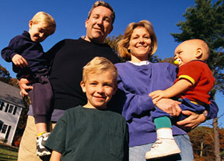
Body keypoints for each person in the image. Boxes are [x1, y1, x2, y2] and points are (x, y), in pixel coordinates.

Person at [17, 1, 120, 161]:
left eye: (106, 20)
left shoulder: (114, 61)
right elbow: (35, 65)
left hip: (79, 128)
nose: (99, 22)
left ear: (111, 28)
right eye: (96, 17)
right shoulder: (64, 44)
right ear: (87, 22)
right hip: (40, 121)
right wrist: (22, 78)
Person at [113, 20, 218, 161]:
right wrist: (155, 101)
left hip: (177, 140)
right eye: (136, 37)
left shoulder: (169, 69)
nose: (142, 41)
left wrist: (204, 114)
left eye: (146, 37)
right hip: (138, 143)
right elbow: (121, 104)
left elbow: (204, 93)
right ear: (127, 44)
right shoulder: (117, 70)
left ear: (152, 44)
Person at [45, 57, 129, 161]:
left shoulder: (120, 121)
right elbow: (56, 155)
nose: (100, 90)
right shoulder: (70, 116)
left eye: (106, 85)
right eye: (94, 83)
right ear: (84, 86)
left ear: (114, 89)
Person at [145, 39, 215, 159]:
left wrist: (165, 93)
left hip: (188, 103)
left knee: (160, 111)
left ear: (197, 53)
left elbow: (185, 83)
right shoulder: (205, 69)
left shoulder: (193, 65)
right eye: (175, 55)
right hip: (197, 106)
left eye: (180, 53)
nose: (176, 57)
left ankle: (165, 141)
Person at [1, 11, 56, 157]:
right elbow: (5, 51)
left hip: (43, 75)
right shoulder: (20, 40)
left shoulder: (38, 47)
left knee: (49, 97)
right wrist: (14, 56)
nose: (41, 36)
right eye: (40, 31)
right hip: (32, 77)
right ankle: (42, 136)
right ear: (31, 24)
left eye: (46, 35)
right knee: (40, 101)